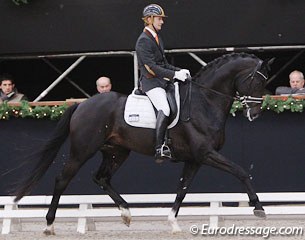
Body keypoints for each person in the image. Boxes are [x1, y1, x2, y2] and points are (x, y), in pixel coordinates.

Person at [135, 4, 191, 162]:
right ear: (149, 19)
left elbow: (164, 64)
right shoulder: (143, 41)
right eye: (159, 19)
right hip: (151, 83)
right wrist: (174, 75)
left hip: (162, 81)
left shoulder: (156, 38)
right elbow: (151, 68)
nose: (162, 22)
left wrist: (180, 70)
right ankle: (159, 148)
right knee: (165, 109)